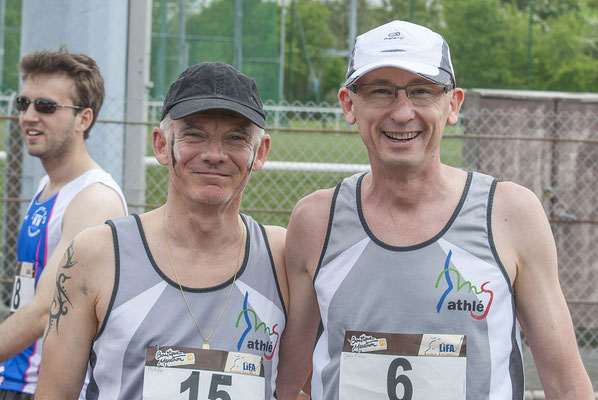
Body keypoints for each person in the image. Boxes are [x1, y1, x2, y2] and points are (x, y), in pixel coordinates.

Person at [276, 20, 594, 400]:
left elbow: (567, 385)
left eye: (422, 91)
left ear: (452, 104)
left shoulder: (510, 214)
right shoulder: (315, 221)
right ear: (349, 105)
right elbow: (292, 386)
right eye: (381, 92)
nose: (402, 111)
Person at [34, 61, 287, 400]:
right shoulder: (96, 254)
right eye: (194, 134)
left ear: (261, 153)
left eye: (236, 138)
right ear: (160, 145)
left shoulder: (284, 257)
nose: (214, 154)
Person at [0, 49, 127, 400]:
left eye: (45, 106)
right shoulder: (48, 185)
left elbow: (45, 311)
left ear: (83, 119)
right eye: (23, 103)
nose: (27, 116)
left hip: (45, 388)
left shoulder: (94, 200)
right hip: (16, 376)